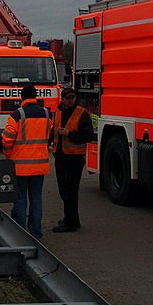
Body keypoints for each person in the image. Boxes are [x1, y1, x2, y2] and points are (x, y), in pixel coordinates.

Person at [1, 84, 51, 239]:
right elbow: (48, 136)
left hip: (20, 166)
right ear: (35, 96)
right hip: (40, 165)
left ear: (22, 97)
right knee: (36, 198)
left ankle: (19, 233)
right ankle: (36, 233)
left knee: (20, 198)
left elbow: (7, 139)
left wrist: (9, 156)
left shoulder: (17, 115)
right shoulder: (46, 113)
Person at [50, 88, 95, 232]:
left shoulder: (81, 113)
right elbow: (52, 131)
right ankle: (72, 219)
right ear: (62, 99)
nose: (71, 100)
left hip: (74, 158)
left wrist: (69, 134)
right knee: (63, 190)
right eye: (68, 97)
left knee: (70, 190)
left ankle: (70, 222)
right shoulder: (58, 112)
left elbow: (88, 135)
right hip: (60, 156)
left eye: (73, 97)